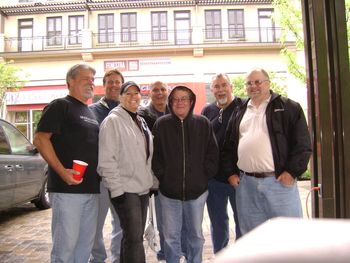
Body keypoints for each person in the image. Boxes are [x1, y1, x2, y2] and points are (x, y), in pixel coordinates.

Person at [221, 68, 312, 235]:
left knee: (290, 236)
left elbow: (303, 144)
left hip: (279, 183)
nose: (253, 86)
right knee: (252, 238)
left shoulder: (289, 107)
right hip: (246, 185)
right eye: (249, 83)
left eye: (258, 82)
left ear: (268, 83)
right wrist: (230, 174)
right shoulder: (240, 110)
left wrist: (291, 172)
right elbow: (228, 146)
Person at [33, 64, 100, 263]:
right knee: (65, 248)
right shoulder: (60, 105)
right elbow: (41, 139)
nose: (91, 82)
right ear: (70, 82)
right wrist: (62, 172)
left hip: (91, 189)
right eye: (85, 78)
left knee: (84, 247)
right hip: (67, 190)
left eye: (93, 80)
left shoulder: (90, 112)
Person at [152, 85, 219, 263]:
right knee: (170, 236)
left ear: (191, 102)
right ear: (170, 102)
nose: (180, 102)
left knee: (195, 235)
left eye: (184, 98)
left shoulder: (203, 122)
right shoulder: (161, 124)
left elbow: (213, 153)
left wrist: (203, 177)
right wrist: (163, 177)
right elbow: (155, 155)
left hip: (197, 192)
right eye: (176, 99)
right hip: (169, 193)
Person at [98, 81, 157, 263]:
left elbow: (146, 156)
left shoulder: (140, 121)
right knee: (134, 239)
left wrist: (152, 181)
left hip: (142, 189)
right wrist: (116, 191)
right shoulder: (112, 121)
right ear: (120, 98)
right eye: (128, 93)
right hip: (125, 189)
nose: (133, 97)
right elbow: (106, 160)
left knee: (131, 238)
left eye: (136, 93)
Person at [201, 73, 242, 254]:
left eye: (224, 85)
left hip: (238, 177)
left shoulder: (243, 107)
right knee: (218, 222)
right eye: (216, 86)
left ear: (231, 87)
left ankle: (242, 256)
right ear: (212, 90)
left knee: (242, 221)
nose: (220, 89)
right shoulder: (207, 111)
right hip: (214, 179)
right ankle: (221, 255)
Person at [89, 69, 124, 263]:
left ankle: (118, 258)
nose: (114, 85)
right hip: (100, 178)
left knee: (121, 223)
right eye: (110, 82)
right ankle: (98, 258)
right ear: (104, 85)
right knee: (95, 224)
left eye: (117, 82)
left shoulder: (129, 110)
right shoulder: (92, 110)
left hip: (122, 178)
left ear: (122, 85)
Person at [138, 80, 169, 261]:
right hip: (148, 173)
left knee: (167, 218)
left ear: (167, 92)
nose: (159, 93)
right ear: (149, 93)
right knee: (148, 219)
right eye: (155, 90)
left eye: (162, 89)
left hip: (170, 173)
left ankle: (166, 252)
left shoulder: (175, 110)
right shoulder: (141, 114)